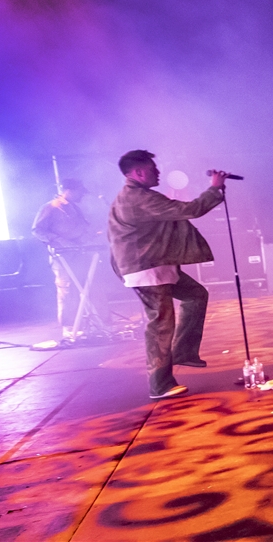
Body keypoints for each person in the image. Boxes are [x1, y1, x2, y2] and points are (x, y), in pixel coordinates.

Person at [106, 150, 228, 400]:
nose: (158, 171)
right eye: (153, 168)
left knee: (195, 295)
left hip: (156, 265)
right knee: (160, 323)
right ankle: (160, 385)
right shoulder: (137, 198)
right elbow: (192, 210)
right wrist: (214, 188)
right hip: (146, 268)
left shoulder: (137, 196)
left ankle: (184, 352)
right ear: (139, 172)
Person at [33, 178, 101, 345]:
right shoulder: (50, 207)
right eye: (80, 192)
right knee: (67, 290)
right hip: (62, 257)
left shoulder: (75, 208)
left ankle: (88, 323)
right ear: (70, 190)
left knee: (87, 287)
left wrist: (92, 236)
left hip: (79, 255)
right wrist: (59, 241)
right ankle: (70, 328)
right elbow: (37, 230)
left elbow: (81, 230)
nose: (82, 196)